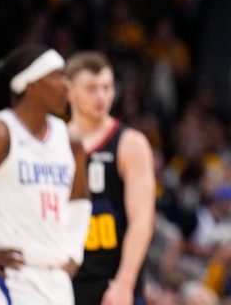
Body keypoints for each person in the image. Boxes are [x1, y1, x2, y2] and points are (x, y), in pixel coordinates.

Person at [0, 44, 91, 304]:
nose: (67, 86)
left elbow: (79, 198)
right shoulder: (1, 132)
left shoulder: (70, 141)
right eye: (58, 76)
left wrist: (74, 252)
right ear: (31, 83)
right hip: (9, 277)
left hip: (55, 279)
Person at [65, 51, 155, 305]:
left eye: (106, 87)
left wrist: (124, 283)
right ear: (69, 90)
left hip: (112, 282)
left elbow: (142, 222)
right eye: (91, 88)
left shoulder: (130, 143)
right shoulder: (53, 142)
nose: (101, 96)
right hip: (63, 280)